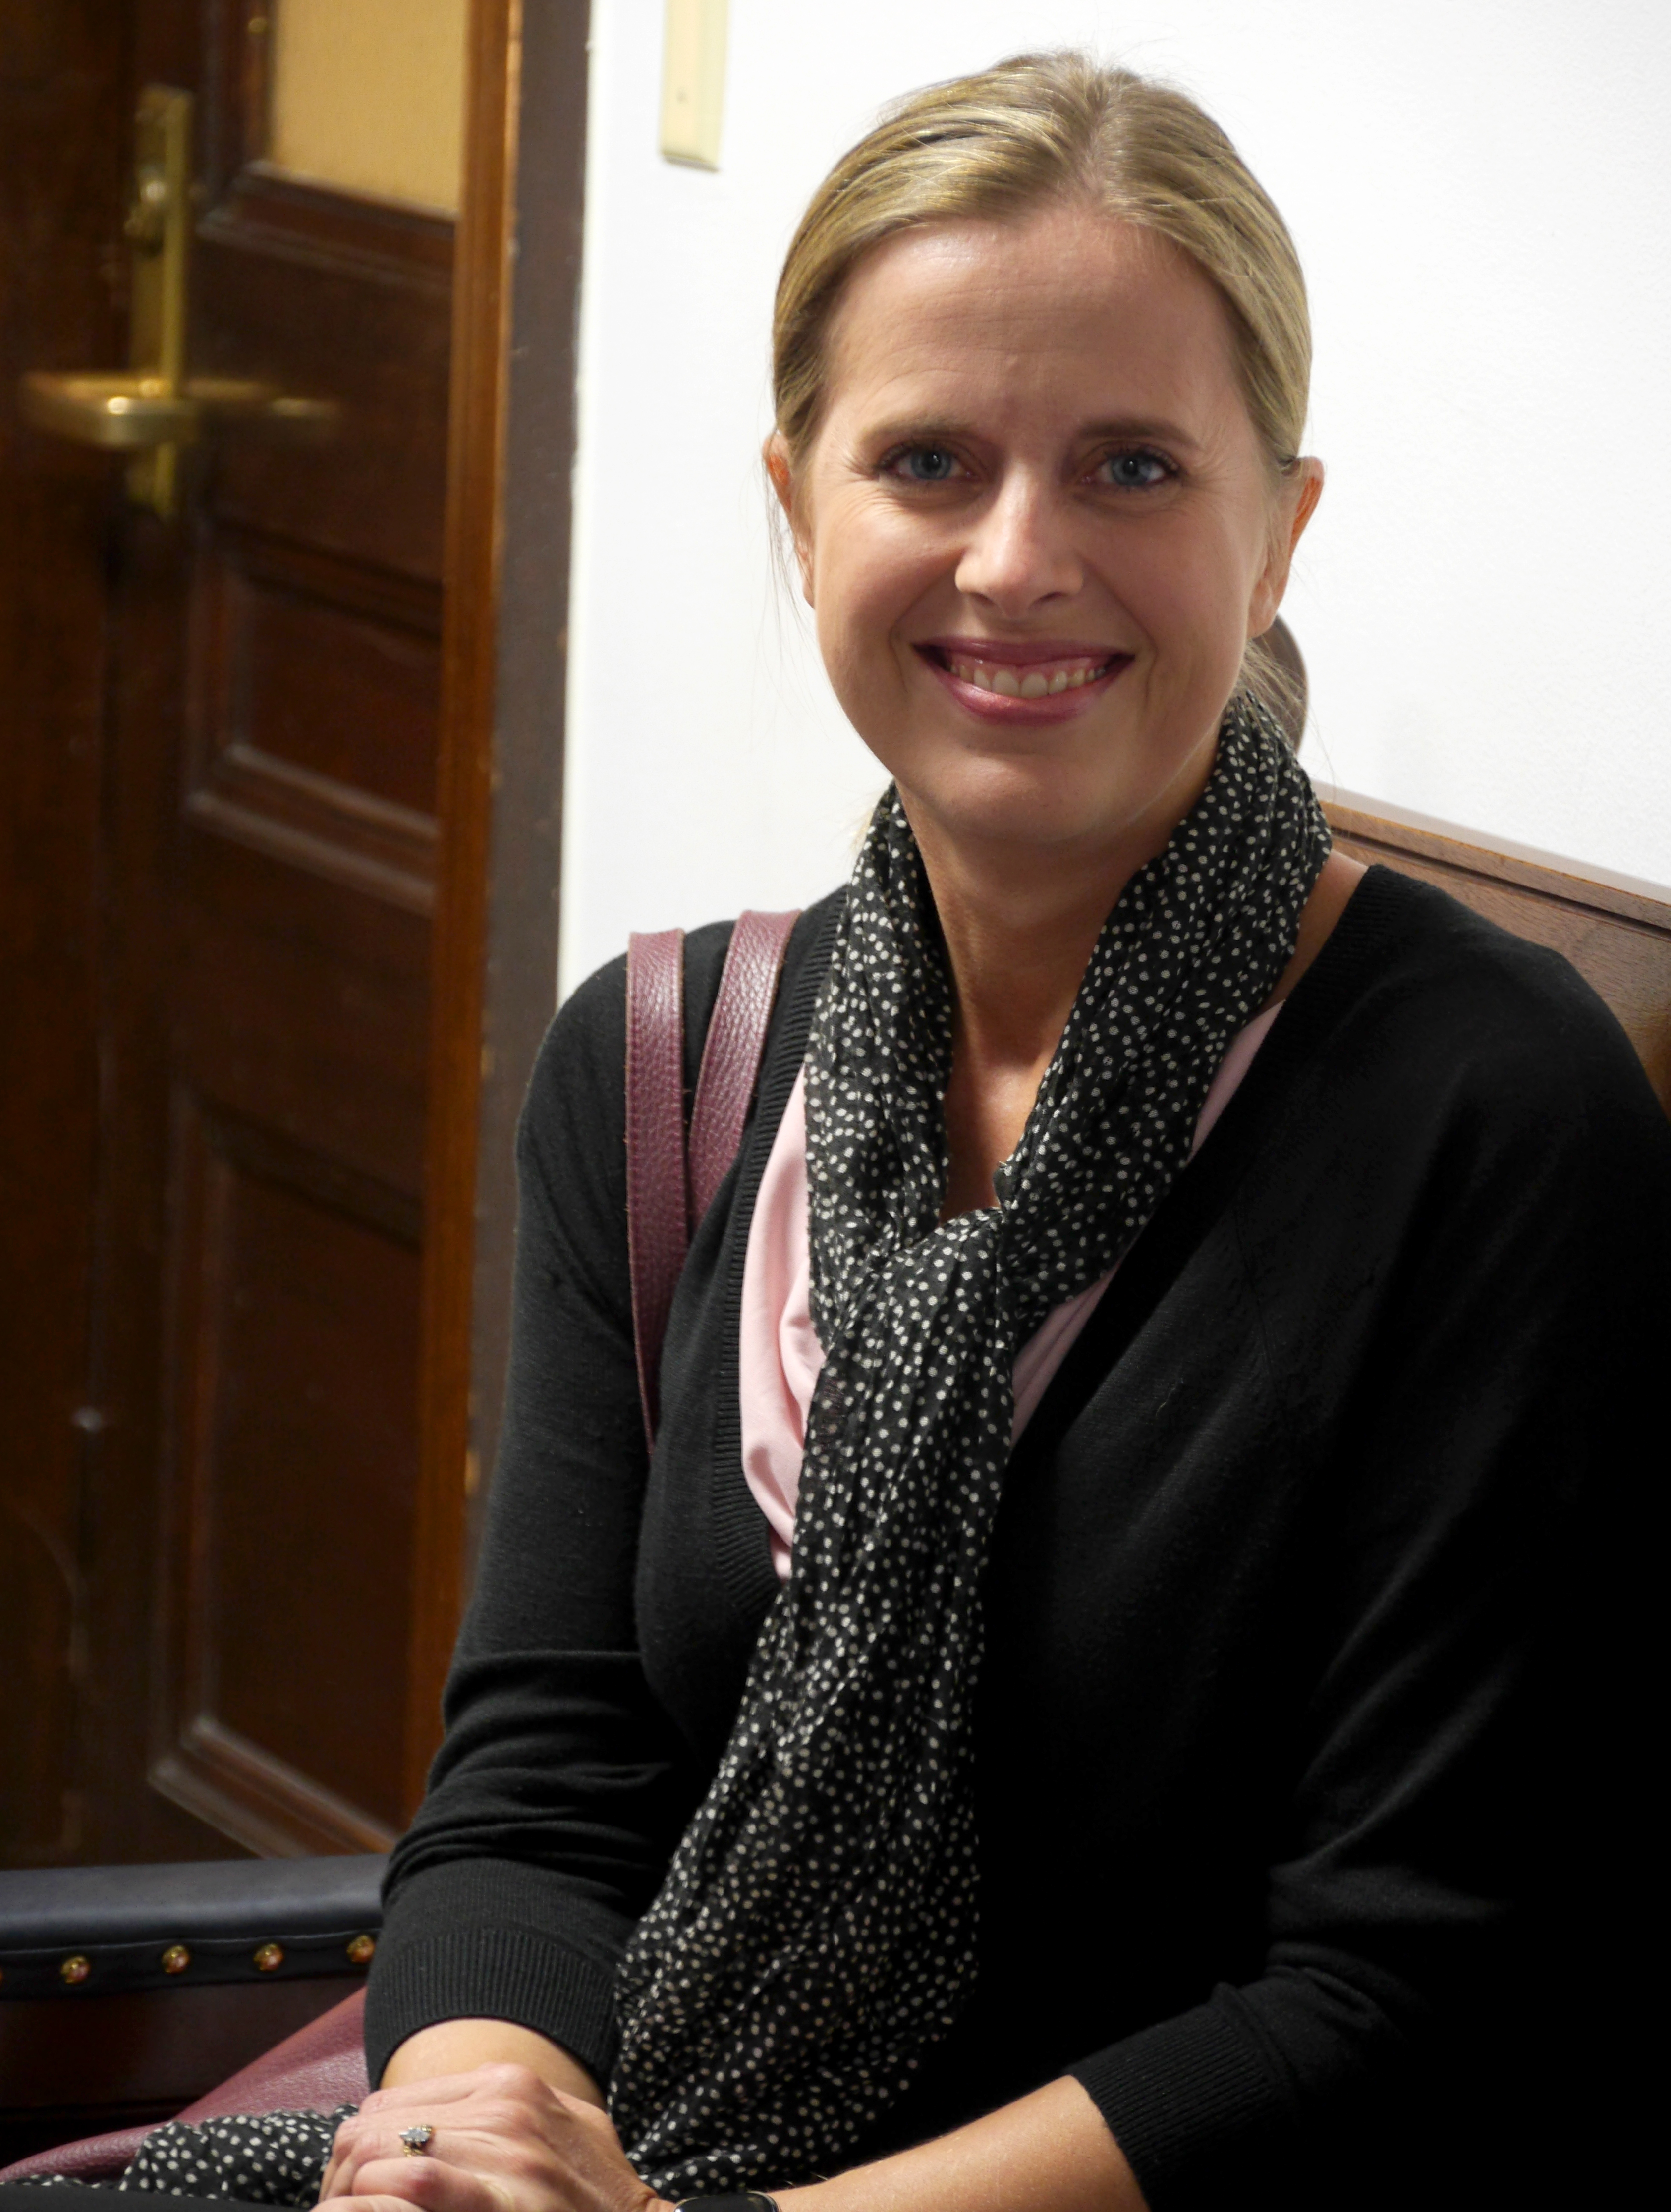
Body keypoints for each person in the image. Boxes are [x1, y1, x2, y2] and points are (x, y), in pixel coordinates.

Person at [33, 49, 1650, 2212]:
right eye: (928, 460)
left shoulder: (1496, 1109)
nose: (1017, 557)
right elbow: (547, 1780)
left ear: (1286, 528)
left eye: (1133, 467)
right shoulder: (666, 1061)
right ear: (800, 506)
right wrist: (481, 2130)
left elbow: (1406, 1992)